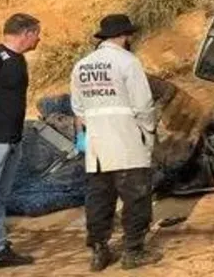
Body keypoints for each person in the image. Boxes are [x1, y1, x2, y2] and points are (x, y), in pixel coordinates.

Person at [71, 14, 161, 271]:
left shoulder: (82, 66)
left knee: (99, 198)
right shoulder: (127, 62)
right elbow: (143, 105)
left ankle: (99, 251)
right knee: (136, 196)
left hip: (96, 146)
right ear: (125, 36)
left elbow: (78, 108)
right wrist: (149, 133)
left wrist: (83, 141)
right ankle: (133, 251)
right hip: (127, 140)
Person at [0, 14, 40, 275]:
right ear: (25, 33)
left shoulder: (18, 60)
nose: (39, 38)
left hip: (12, 140)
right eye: (37, 33)